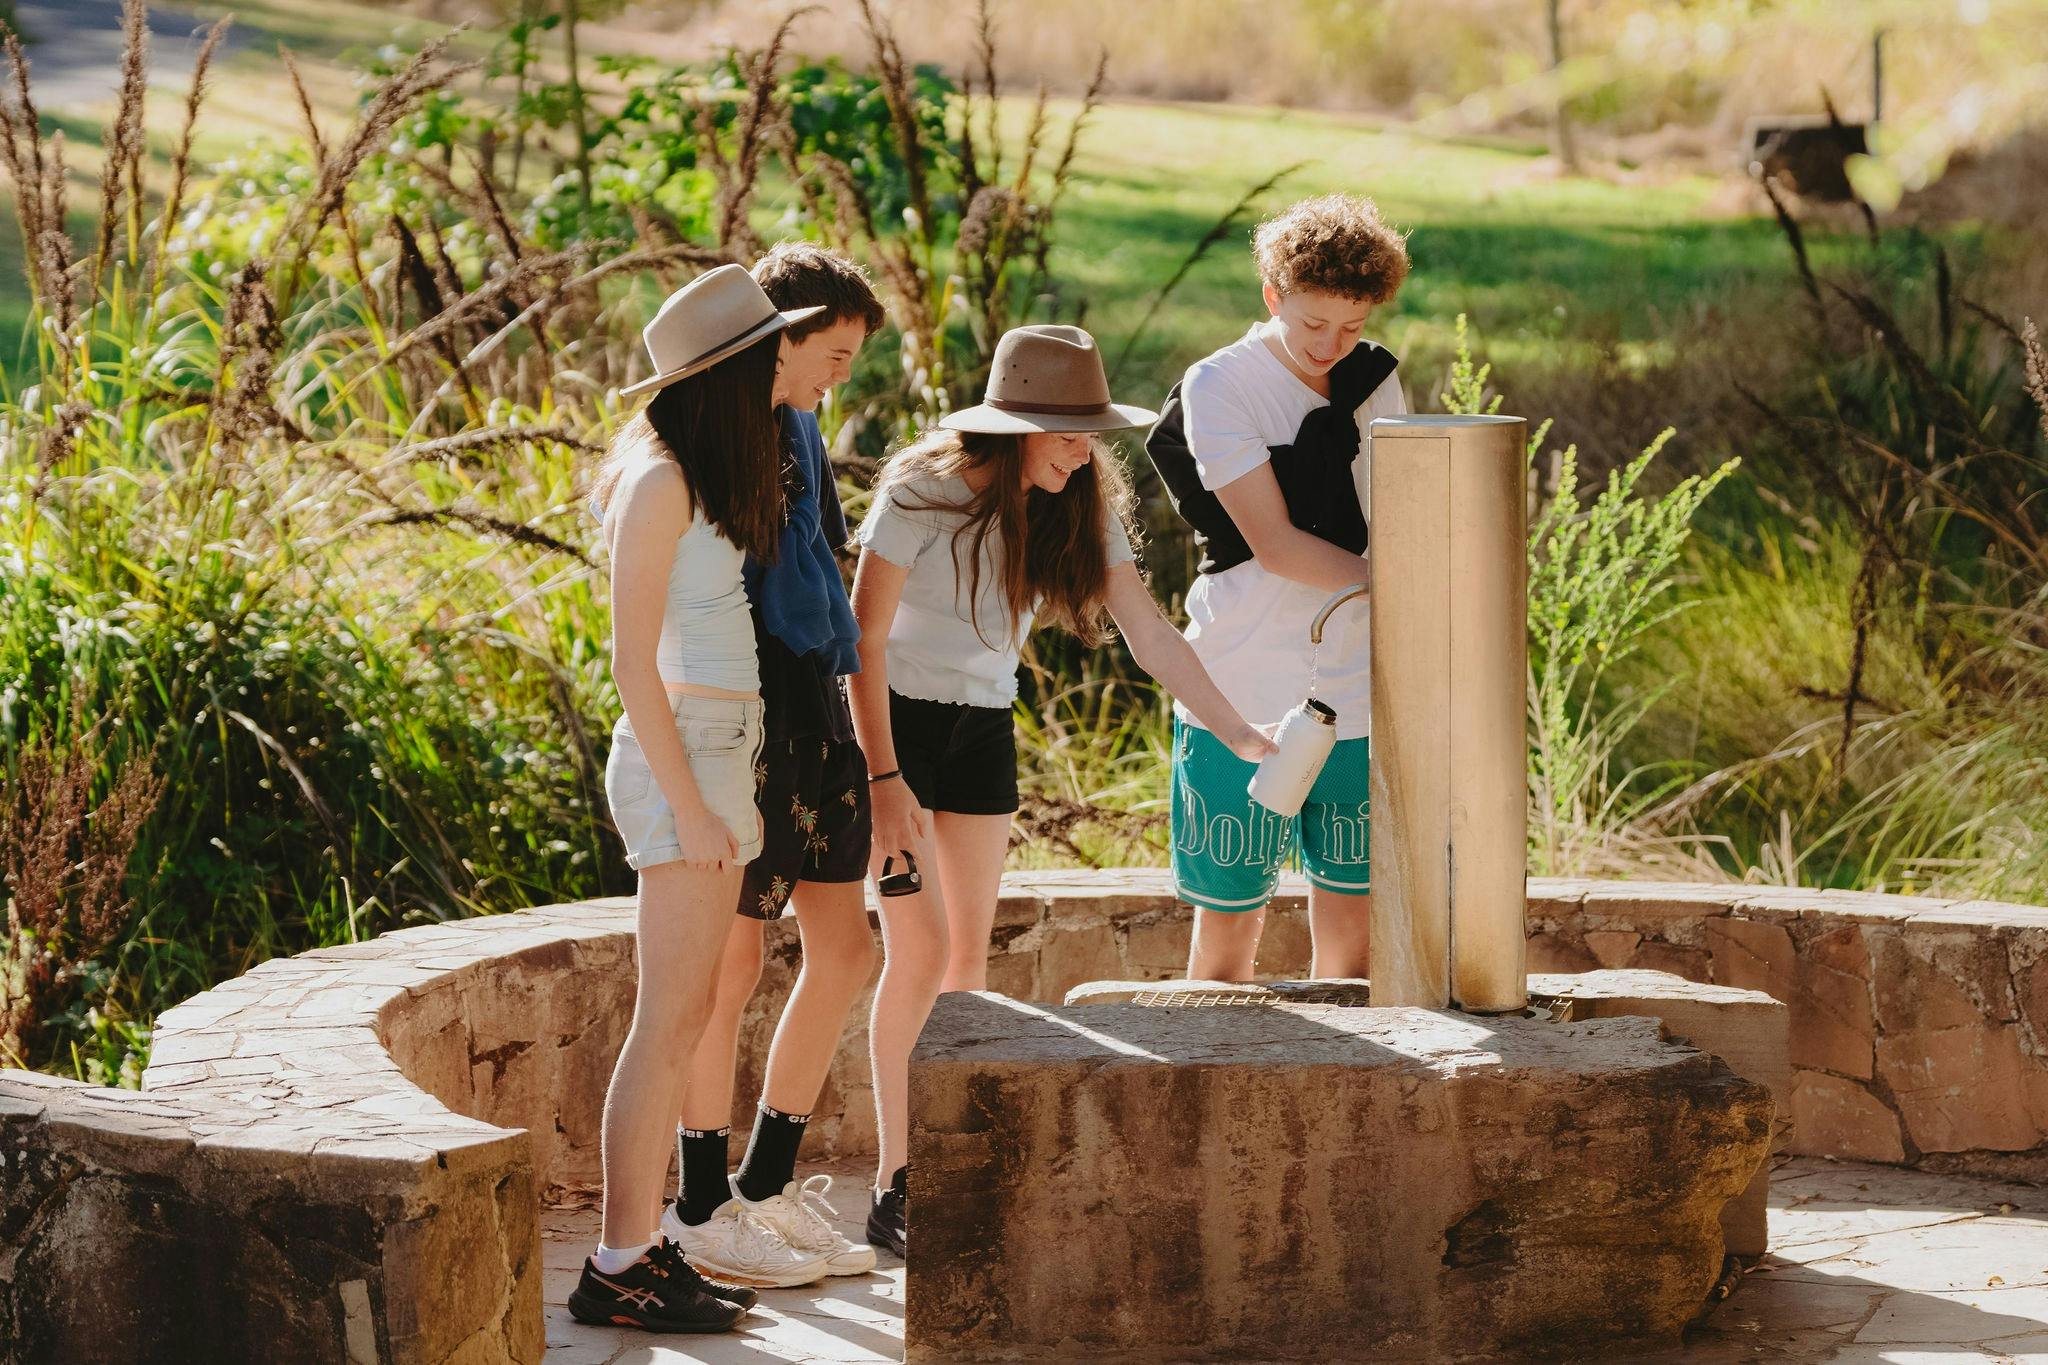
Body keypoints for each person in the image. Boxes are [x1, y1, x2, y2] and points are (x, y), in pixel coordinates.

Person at [847, 324, 1276, 1257]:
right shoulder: (917, 492)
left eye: (1091, 433)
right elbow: (862, 645)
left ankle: (939, 1170)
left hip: (981, 732)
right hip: (896, 731)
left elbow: (1152, 632)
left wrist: (1239, 727)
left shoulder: (1078, 503)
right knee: (915, 957)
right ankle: (893, 1183)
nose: (1085, 451)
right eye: (1066, 433)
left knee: (965, 967)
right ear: (1010, 428)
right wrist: (882, 779)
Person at [568, 264, 822, 1332]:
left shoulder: (702, 470)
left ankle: (641, 1251)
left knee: (682, 1018)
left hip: (721, 753)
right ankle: (618, 1263)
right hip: (688, 761)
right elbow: (628, 665)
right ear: (724, 373)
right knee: (665, 1021)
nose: (784, 364)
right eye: (770, 351)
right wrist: (696, 807)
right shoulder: (660, 482)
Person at [662, 244, 888, 1287]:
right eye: (831, 352)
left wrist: (862, 742)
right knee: (729, 965)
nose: (839, 375)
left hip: (815, 707)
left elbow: (823, 573)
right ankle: (699, 1208)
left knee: (847, 950)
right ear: (779, 335)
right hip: (743, 717)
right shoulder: (716, 434)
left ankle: (762, 1186)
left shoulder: (800, 420)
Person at [1142, 194, 1411, 984]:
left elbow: (1398, 514)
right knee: (1225, 951)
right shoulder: (1219, 384)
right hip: (1243, 689)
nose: (1332, 345)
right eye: (1312, 323)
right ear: (1272, 297)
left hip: (1359, 692)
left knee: (1354, 952)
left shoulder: (1373, 381)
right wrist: (1411, 586)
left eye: (1353, 327)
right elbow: (1278, 545)